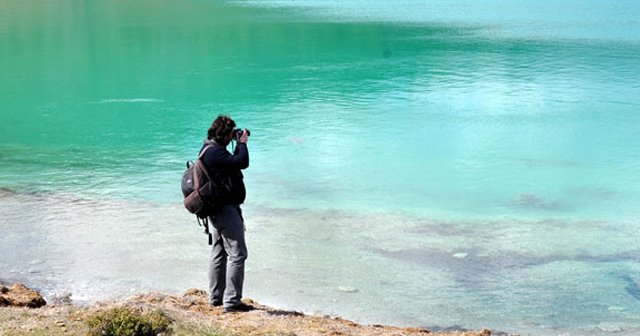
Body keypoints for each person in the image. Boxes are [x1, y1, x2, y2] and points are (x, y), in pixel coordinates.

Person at [200, 115, 252, 313]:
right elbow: (242, 162)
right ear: (224, 134)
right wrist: (242, 143)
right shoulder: (215, 153)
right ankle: (232, 302)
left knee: (220, 251)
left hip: (216, 209)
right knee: (238, 254)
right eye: (231, 134)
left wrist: (237, 143)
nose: (233, 137)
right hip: (224, 210)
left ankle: (216, 298)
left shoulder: (209, 149)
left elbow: (234, 162)